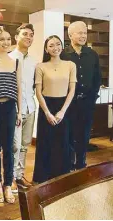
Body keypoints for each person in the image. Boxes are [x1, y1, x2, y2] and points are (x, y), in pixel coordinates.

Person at [32, 35, 77, 183]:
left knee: (62, 142)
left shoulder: (70, 65)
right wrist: (47, 113)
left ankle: (61, 177)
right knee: (46, 143)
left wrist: (63, 111)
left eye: (58, 44)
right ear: (46, 49)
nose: (55, 47)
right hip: (46, 106)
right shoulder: (40, 66)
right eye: (51, 45)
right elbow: (38, 91)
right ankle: (43, 179)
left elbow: (72, 90)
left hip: (64, 107)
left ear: (62, 46)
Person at [0, 26, 22, 204]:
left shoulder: (15, 62)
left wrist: (19, 112)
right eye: (2, 39)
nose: (6, 42)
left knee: (9, 149)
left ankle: (8, 184)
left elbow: (19, 88)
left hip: (10, 108)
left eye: (8, 39)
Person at [63, 21, 102, 170]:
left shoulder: (92, 54)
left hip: (87, 103)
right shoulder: (64, 54)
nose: (83, 36)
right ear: (70, 35)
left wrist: (92, 98)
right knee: (69, 136)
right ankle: (69, 166)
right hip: (69, 104)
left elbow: (97, 78)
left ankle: (81, 165)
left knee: (84, 136)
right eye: (79, 32)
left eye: (85, 33)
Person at [9, 23, 36, 192]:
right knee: (14, 145)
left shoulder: (34, 61)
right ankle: (10, 178)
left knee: (25, 145)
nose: (28, 37)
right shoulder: (10, 58)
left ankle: (19, 176)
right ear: (16, 37)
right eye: (25, 34)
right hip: (14, 110)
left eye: (31, 35)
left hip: (31, 108)